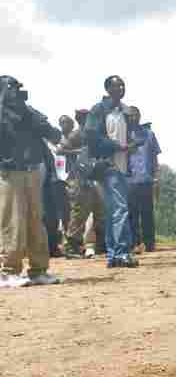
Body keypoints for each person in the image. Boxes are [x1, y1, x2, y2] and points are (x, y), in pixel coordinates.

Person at [0, 75, 62, 287]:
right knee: (13, 223)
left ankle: (39, 270)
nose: (16, 92)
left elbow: (53, 133)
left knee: (37, 221)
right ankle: (8, 271)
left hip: (32, 170)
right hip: (9, 173)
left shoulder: (27, 111)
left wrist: (27, 111)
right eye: (11, 88)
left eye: (18, 88)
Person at [84, 75, 140, 268]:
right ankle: (121, 252)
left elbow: (131, 135)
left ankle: (114, 254)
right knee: (120, 209)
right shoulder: (99, 110)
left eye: (123, 85)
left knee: (114, 210)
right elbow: (91, 136)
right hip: (109, 166)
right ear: (108, 89)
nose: (121, 88)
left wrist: (132, 143)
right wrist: (117, 146)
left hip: (123, 167)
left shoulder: (124, 111)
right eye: (117, 85)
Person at [63, 109, 106, 259]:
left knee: (100, 209)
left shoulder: (93, 133)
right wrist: (79, 151)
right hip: (78, 178)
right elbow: (60, 149)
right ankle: (71, 247)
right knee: (79, 213)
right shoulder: (76, 134)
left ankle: (101, 245)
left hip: (93, 177)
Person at [127, 106, 161, 253]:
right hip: (129, 180)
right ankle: (135, 242)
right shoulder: (124, 136)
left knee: (147, 212)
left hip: (146, 179)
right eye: (130, 115)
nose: (133, 117)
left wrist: (156, 176)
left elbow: (154, 156)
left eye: (136, 115)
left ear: (140, 116)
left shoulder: (149, 134)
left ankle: (150, 243)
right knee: (132, 213)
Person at [42, 116, 73, 257]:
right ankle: (52, 246)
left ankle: (68, 245)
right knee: (50, 217)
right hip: (50, 183)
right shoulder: (44, 145)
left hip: (64, 181)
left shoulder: (63, 144)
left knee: (66, 214)